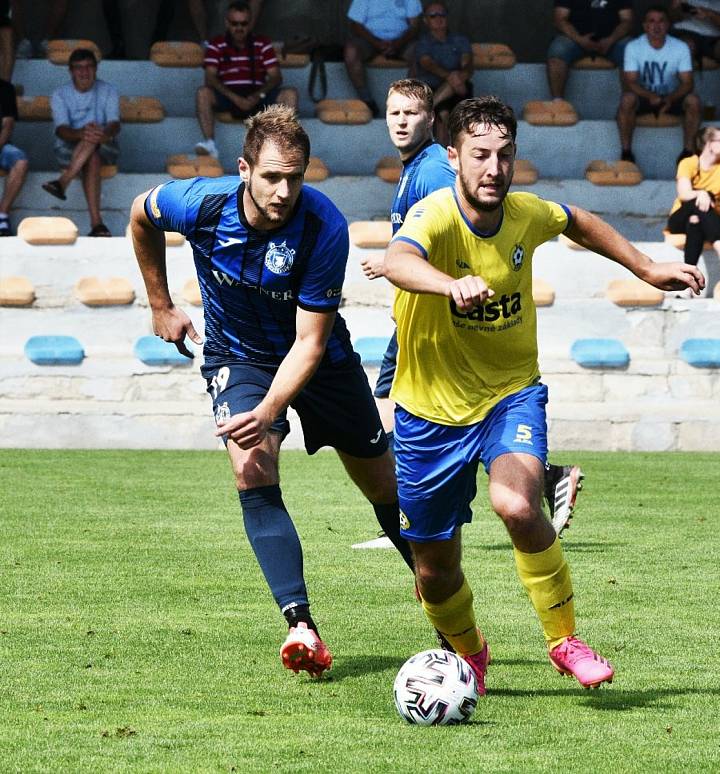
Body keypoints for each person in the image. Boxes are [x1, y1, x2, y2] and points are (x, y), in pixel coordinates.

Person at [382, 95, 705, 694]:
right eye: (480, 155)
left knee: (517, 505)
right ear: (453, 156)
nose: (494, 169)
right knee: (433, 569)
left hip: (510, 395)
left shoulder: (526, 213)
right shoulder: (433, 216)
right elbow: (397, 259)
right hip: (428, 412)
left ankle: (564, 640)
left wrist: (645, 267)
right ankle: (469, 653)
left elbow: (576, 218)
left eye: (505, 155)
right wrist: (448, 284)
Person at [130, 104, 415, 679]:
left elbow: (309, 344)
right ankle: (300, 624)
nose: (284, 191)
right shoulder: (200, 204)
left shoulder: (325, 227)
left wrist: (268, 409)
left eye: (295, 177)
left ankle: (444, 606)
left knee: (382, 483)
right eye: (271, 177)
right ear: (243, 169)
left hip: (322, 361)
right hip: (239, 355)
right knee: (251, 469)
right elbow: (140, 214)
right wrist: (160, 304)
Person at [362, 77, 585, 537]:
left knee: (387, 413)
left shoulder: (434, 172)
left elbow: (463, 222)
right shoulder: (410, 169)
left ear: (432, 122)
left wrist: (440, 281)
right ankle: (419, 515)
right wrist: (395, 268)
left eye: (411, 113)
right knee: (388, 414)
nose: (401, 122)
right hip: (420, 314)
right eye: (394, 113)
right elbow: (418, 245)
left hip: (445, 324)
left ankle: (410, 517)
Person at [194, 0, 296, 159]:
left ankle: (285, 147)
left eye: (244, 23)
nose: (239, 28)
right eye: (235, 23)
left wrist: (258, 95)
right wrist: (234, 98)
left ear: (250, 24)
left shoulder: (262, 43)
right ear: (227, 23)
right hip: (228, 95)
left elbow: (276, 77)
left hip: (257, 95)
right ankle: (210, 143)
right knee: (203, 93)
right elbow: (210, 77)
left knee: (290, 94)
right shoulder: (216, 44)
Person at [41, 48, 119, 237]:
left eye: (88, 67)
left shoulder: (108, 90)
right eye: (78, 68)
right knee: (91, 153)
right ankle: (97, 224)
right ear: (71, 71)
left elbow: (114, 125)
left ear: (96, 68)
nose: (84, 72)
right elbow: (61, 130)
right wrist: (83, 133)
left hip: (106, 145)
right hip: (68, 147)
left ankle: (63, 181)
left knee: (92, 143)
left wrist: (102, 133)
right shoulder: (60, 94)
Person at [617, 5, 701, 166]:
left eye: (661, 21)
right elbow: (630, 82)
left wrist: (670, 98)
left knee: (693, 101)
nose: (656, 25)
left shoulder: (680, 47)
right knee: (627, 99)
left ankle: (688, 153)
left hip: (672, 97)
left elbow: (688, 82)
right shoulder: (634, 47)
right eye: (652, 21)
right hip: (644, 97)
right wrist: (650, 96)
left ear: (668, 25)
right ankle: (626, 152)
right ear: (645, 26)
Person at [666, 125, 720, 289]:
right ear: (709, 143)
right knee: (701, 200)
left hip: (710, 222)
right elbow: (684, 194)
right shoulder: (688, 162)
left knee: (695, 221)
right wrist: (701, 193)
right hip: (679, 218)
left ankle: (687, 284)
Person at [344, 0, 422, 117]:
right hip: (370, 41)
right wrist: (377, 43)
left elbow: (414, 26)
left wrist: (397, 43)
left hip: (402, 41)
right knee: (351, 51)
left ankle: (407, 101)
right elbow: (356, 25)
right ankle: (367, 101)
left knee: (421, 52)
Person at [669, 0, 720, 119]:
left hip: (714, 37)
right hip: (684, 33)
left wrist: (710, 15)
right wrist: (677, 9)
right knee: (686, 47)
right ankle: (686, 108)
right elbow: (672, 18)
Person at [546, 0, 633, 101]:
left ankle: (629, 105)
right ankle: (558, 103)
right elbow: (559, 19)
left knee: (630, 51)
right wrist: (580, 40)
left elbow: (627, 20)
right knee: (558, 49)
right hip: (575, 40)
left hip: (611, 41)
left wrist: (610, 40)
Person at [414, 2, 473, 146]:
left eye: (442, 14)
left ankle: (427, 108)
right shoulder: (423, 42)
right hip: (431, 87)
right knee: (443, 116)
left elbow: (468, 67)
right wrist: (451, 78)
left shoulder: (460, 40)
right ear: (425, 20)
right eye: (433, 16)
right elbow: (427, 64)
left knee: (449, 110)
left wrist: (458, 79)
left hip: (459, 89)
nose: (438, 18)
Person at [0, 75, 28, 235]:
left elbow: (7, 125)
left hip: (2, 146)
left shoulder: (5, 88)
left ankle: (2, 215)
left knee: (20, 160)